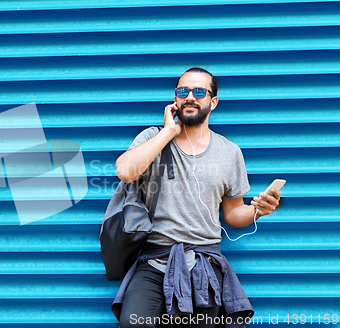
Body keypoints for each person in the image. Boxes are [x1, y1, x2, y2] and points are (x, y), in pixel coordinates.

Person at [113, 67, 281, 328]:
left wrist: (259, 210)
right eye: (183, 91)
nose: (190, 96)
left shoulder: (230, 152)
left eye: (199, 91)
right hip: (154, 262)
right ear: (175, 99)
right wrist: (169, 132)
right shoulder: (152, 137)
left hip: (204, 265)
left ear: (213, 102)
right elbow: (125, 171)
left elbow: (233, 215)